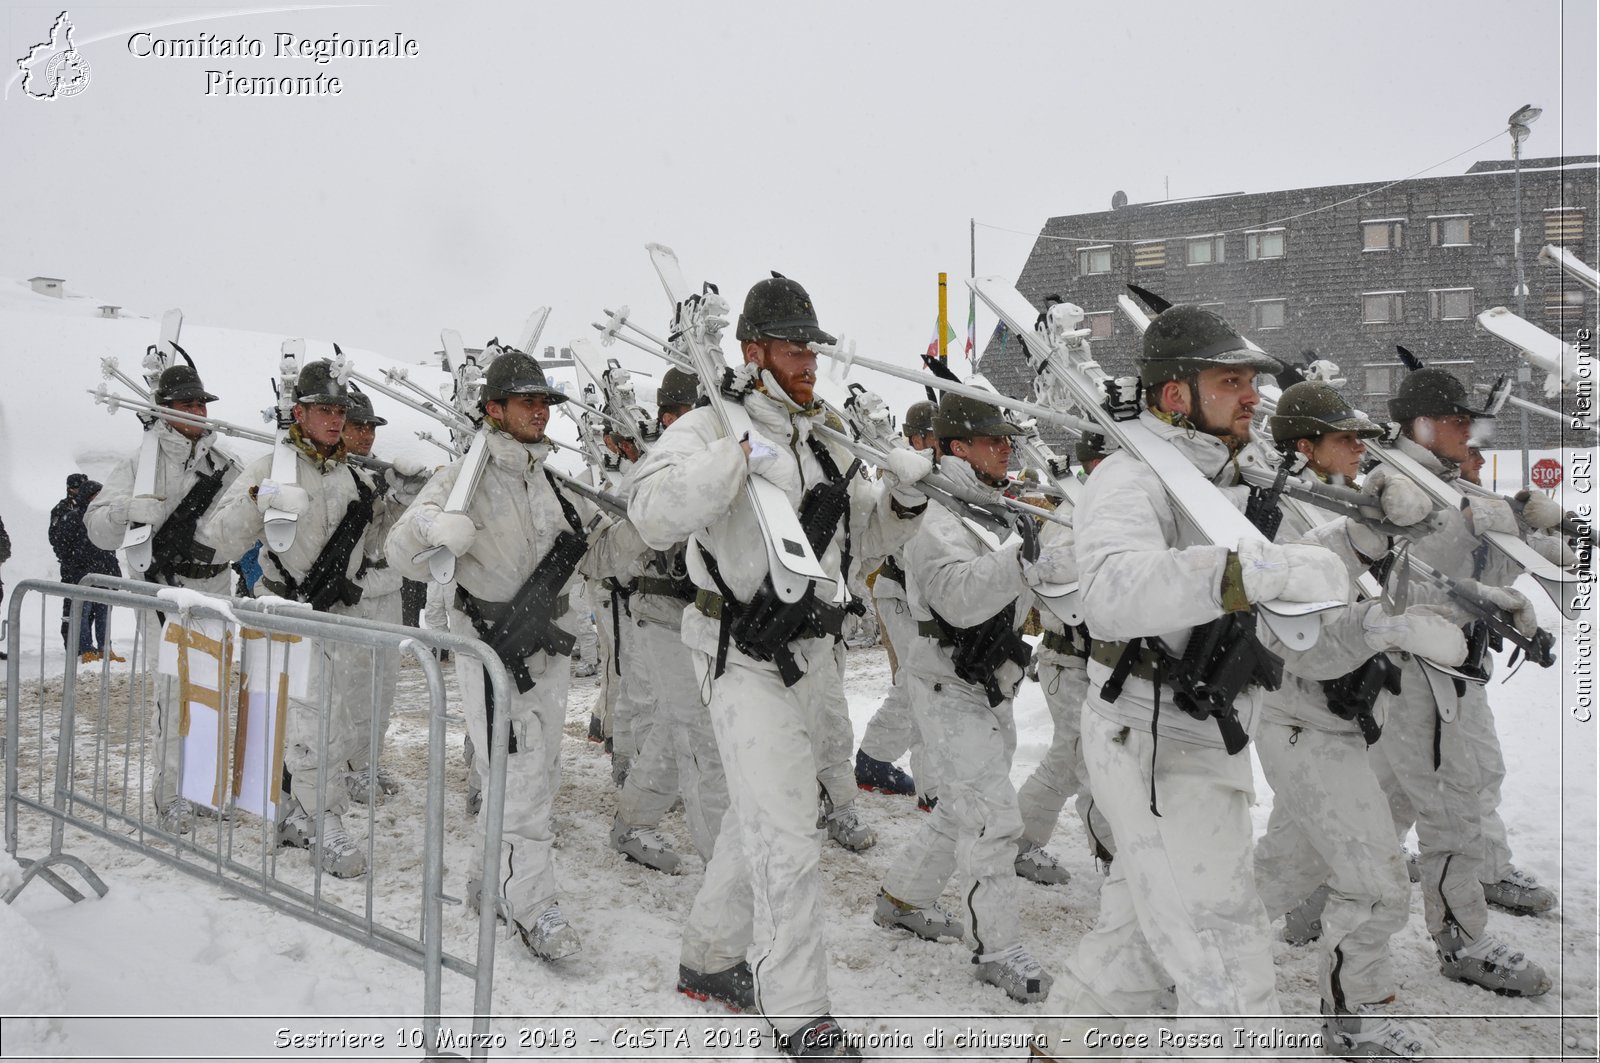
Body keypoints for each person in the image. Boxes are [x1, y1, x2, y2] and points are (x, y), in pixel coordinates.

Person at [628, 273, 931, 1057]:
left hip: (810, 651)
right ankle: (799, 1008)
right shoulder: (705, 425)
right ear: (754, 351)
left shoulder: (821, 433)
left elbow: (860, 542)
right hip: (737, 654)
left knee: (755, 817)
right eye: (796, 347)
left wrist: (900, 499)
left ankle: (707, 956)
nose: (809, 361)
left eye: (814, 349)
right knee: (788, 833)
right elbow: (651, 513)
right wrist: (730, 461)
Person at [1035, 304, 1348, 1058]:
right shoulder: (1130, 475)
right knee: (1225, 958)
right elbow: (1106, 592)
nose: (1251, 395)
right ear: (1176, 394)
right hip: (1147, 733)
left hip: (1207, 733)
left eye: (1250, 380)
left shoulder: (1233, 477)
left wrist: (1356, 549)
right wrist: (1236, 572)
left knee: (1142, 937)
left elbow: (1292, 595)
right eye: (1230, 380)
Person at [1251, 381, 1469, 1059]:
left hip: (1336, 722)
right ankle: (1354, 1020)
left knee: (1286, 870)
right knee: (1375, 882)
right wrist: (1382, 619)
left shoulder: (1360, 515)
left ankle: (1162, 950)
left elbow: (1416, 582)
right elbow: (1302, 634)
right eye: (1346, 438)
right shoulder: (1284, 517)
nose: (1361, 451)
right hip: (1301, 718)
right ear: (1304, 446)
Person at [386, 349, 591, 962]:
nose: (540, 411)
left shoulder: (547, 478)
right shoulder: (462, 478)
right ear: (493, 409)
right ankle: (531, 905)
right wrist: (431, 528)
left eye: (545, 401)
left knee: (532, 772)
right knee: (521, 775)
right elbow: (402, 547)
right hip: (494, 650)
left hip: (546, 650)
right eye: (527, 400)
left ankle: (487, 882)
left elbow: (584, 544)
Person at [1363, 367, 1553, 996]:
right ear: (1421, 425)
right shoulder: (1392, 484)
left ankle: (1309, 906)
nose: (1468, 432)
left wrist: (1518, 532)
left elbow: (1479, 572)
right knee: (1450, 809)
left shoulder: (1447, 482)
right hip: (1417, 669)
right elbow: (1381, 582)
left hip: (1455, 664)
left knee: (1382, 804)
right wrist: (1470, 581)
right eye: (1455, 421)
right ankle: (1461, 939)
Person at [874, 391, 1066, 1004]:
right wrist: (1024, 553)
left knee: (964, 808)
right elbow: (957, 598)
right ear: (958, 447)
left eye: (1008, 439)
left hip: (988, 681)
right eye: (994, 440)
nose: (1006, 449)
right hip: (947, 683)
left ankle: (904, 897)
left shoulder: (986, 504)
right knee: (992, 819)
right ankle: (997, 949)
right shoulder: (935, 515)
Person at [204, 359, 391, 879]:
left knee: (328, 720)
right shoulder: (269, 468)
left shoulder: (355, 479)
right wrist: (255, 502)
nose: (335, 419)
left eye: (340, 409)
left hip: (337, 616)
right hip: (284, 610)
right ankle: (322, 822)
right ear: (298, 413)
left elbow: (376, 549)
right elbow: (217, 538)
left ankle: (291, 814)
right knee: (313, 723)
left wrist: (401, 505)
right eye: (323, 409)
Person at [86, 362, 239, 833]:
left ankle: (206, 787)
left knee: (211, 692)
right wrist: (124, 510)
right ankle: (170, 794)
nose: (196, 412)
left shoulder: (225, 465)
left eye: (200, 404)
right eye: (186, 404)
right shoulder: (138, 465)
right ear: (163, 411)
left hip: (214, 586)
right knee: (174, 697)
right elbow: (96, 529)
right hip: (163, 588)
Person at [593, 368, 730, 877]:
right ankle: (724, 866)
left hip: (707, 615)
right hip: (660, 611)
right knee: (701, 737)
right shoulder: (653, 472)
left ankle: (634, 818)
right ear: (668, 418)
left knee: (685, 727)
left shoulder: (709, 464)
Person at [1012, 434, 1113, 881]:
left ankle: (1017, 843)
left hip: (1094, 662)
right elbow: (1046, 571)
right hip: (1069, 660)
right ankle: (1118, 860)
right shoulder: (1075, 515)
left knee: (1069, 761)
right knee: (1094, 764)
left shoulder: (1103, 509)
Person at [339, 385, 429, 804]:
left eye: (370, 427)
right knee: (350, 690)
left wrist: (402, 498)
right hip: (352, 594)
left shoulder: (379, 475)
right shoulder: (336, 478)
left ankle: (368, 761)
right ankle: (347, 766)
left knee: (383, 687)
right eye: (358, 426)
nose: (366, 435)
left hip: (388, 589)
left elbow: (391, 537)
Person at [852, 400, 936, 803]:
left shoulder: (939, 473)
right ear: (916, 437)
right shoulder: (901, 472)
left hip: (926, 597)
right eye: (932, 436)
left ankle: (874, 759)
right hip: (900, 592)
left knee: (920, 682)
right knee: (922, 683)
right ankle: (932, 789)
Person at [50, 474, 123, 664]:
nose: (99, 498)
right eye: (95, 495)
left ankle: (105, 648)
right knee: (82, 612)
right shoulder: (71, 517)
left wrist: (114, 572)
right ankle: (85, 649)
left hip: (104, 574)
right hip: (82, 575)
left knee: (104, 612)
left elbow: (112, 546)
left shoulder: (105, 518)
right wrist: (76, 565)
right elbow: (61, 545)